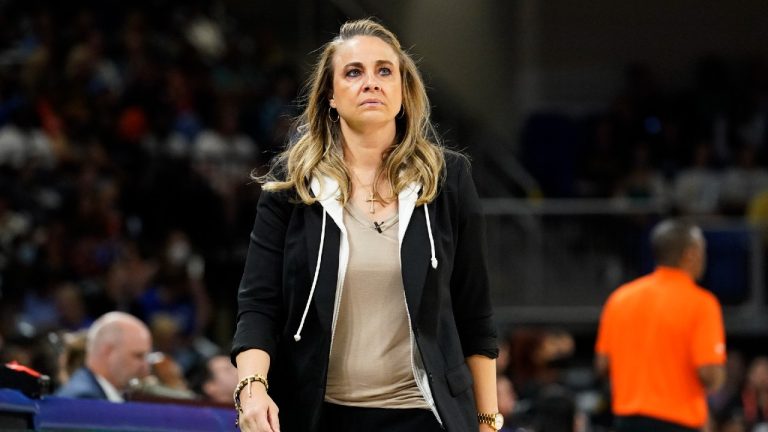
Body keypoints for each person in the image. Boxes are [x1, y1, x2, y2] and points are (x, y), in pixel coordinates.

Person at [231, 18, 500, 432]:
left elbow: (475, 314)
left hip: (424, 416)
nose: (370, 82)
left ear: (403, 93)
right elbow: (259, 304)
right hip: (318, 414)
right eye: (353, 72)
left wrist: (487, 421)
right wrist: (251, 389)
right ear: (330, 97)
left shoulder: (449, 179)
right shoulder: (292, 184)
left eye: (384, 71)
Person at [595, 218, 726, 431]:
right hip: (676, 422)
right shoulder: (701, 303)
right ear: (690, 254)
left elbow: (602, 365)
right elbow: (709, 372)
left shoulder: (620, 298)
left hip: (625, 421)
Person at [55, 311, 152, 402]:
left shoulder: (117, 394)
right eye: (138, 356)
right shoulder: (83, 399)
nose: (145, 367)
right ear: (108, 352)